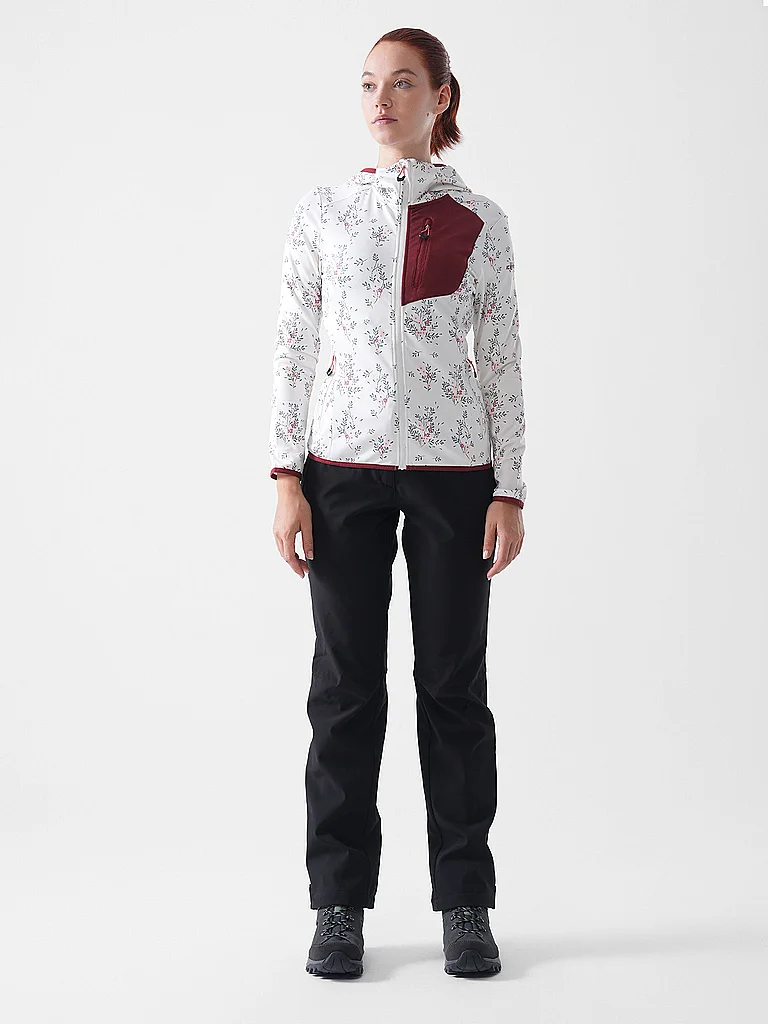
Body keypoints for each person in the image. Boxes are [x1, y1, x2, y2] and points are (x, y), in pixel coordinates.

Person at [268, 27, 527, 978]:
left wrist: (510, 487)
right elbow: (294, 342)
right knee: (345, 689)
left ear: (441, 97)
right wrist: (286, 475)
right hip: (340, 470)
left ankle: (465, 902)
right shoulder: (326, 212)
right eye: (370, 83)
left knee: (454, 688)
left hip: (457, 474)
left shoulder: (480, 220)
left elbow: (500, 357)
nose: (381, 99)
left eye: (403, 83)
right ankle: (338, 904)